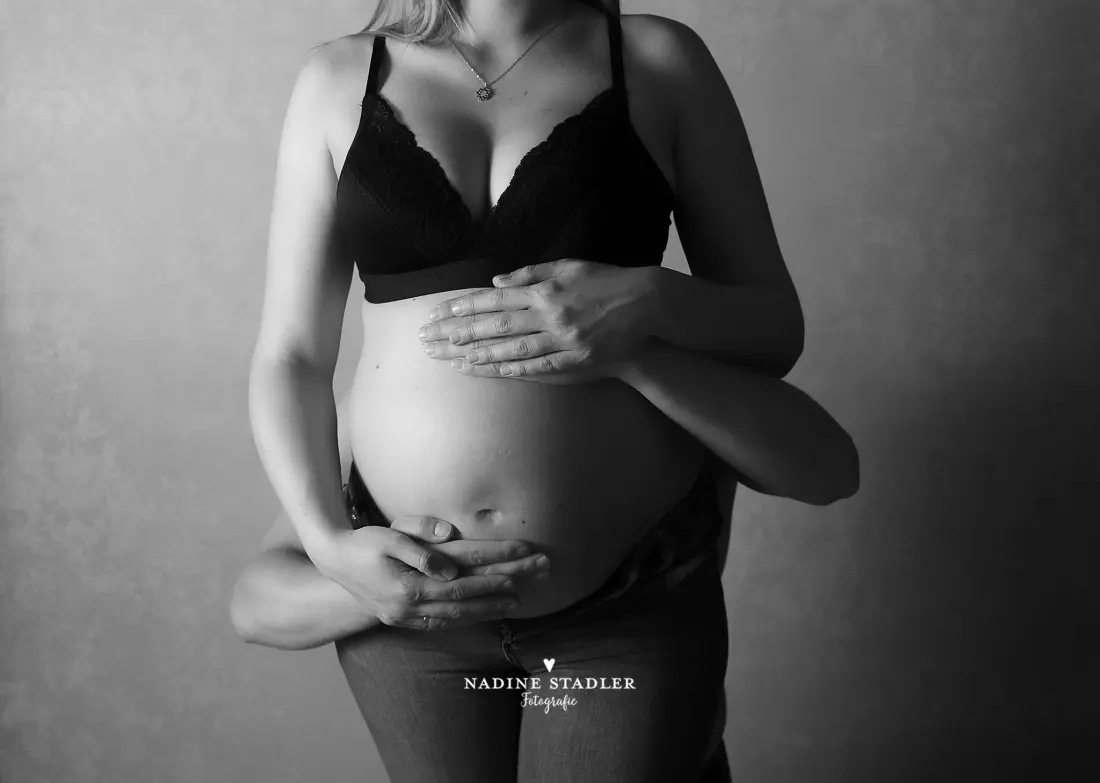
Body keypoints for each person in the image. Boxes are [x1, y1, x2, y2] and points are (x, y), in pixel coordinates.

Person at [238, 0, 860, 780]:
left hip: (622, 602)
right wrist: (332, 548)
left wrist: (652, 299)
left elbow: (773, 330)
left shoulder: (657, 59)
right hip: (414, 612)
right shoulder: (337, 77)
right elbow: (292, 355)